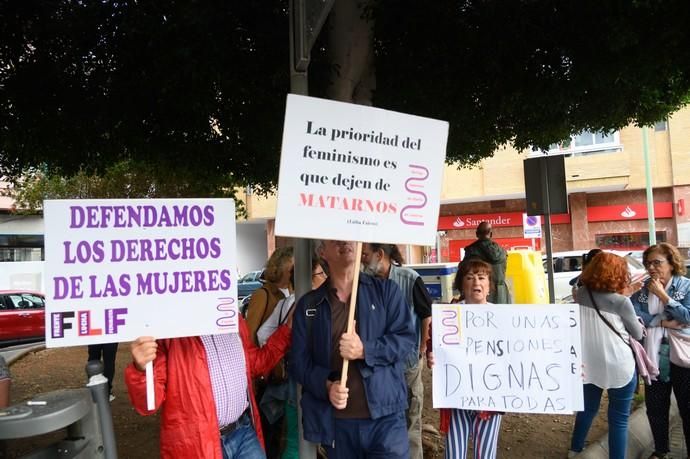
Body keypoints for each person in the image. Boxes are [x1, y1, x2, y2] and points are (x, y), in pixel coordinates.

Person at [290, 239, 415, 458]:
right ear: (322, 252)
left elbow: (405, 341)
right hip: (337, 426)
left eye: (349, 237)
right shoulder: (309, 306)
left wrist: (364, 350)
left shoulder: (387, 292)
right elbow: (298, 363)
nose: (344, 241)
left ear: (359, 247)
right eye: (335, 238)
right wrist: (326, 385)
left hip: (386, 421)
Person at [125, 314, 292, 459]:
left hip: (243, 431)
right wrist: (141, 370)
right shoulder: (169, 330)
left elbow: (254, 363)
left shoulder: (231, 317)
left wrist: (288, 329)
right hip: (197, 445)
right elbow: (149, 404)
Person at [568, 252, 644, 459]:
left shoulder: (582, 294)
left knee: (587, 408)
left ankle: (574, 449)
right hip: (619, 365)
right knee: (619, 420)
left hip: (589, 363)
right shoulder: (621, 302)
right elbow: (637, 333)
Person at [361, 242, 432, 459]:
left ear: (379, 255)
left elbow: (426, 314)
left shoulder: (409, 278)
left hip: (407, 364)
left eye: (365, 255)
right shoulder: (365, 284)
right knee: (388, 420)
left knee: (411, 418)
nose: (361, 260)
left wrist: (421, 348)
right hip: (379, 366)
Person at [427, 259, 503, 459]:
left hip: (489, 400)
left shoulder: (504, 317)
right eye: (469, 277)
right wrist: (432, 355)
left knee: (485, 455)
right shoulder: (448, 317)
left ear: (489, 286)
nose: (476, 282)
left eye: (481, 277)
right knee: (454, 454)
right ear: (461, 284)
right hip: (456, 397)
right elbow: (433, 343)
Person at [631, 243, 690, 459]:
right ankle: (661, 450)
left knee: (688, 409)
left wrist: (664, 296)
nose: (652, 268)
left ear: (672, 263)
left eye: (657, 262)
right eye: (648, 264)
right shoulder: (644, 291)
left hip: (683, 359)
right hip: (654, 357)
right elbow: (634, 316)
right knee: (656, 409)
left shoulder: (686, 287)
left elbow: (687, 317)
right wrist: (663, 323)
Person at [245, 246, 294, 458]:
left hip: (281, 370)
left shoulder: (290, 295)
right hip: (267, 371)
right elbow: (249, 335)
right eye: (292, 264)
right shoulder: (262, 294)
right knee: (271, 431)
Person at [460, 222, 510, 303]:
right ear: (491, 234)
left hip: (480, 293)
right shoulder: (502, 251)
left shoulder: (471, 250)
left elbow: (463, 273)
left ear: (477, 234)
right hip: (502, 294)